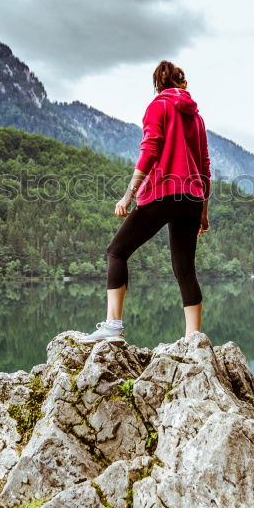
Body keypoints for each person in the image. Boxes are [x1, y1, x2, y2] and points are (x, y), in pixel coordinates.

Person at [79, 60, 211, 343]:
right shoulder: (197, 118)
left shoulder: (157, 107)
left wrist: (128, 194)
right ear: (182, 83)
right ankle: (193, 339)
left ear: (158, 85)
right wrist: (203, 211)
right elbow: (204, 165)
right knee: (184, 269)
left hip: (164, 192)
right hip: (192, 197)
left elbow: (150, 150)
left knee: (117, 251)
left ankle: (113, 327)